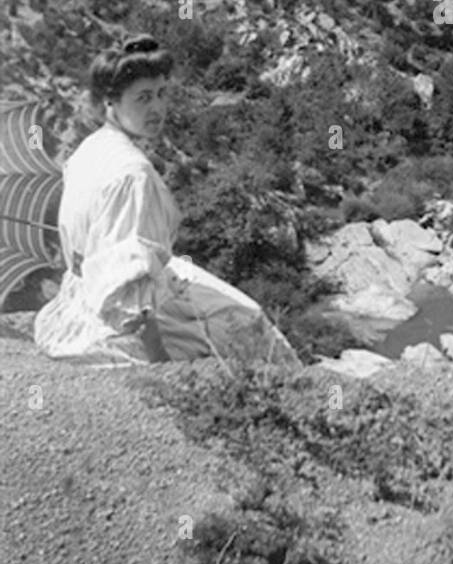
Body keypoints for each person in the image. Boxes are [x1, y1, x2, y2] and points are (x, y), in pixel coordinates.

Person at [34, 34, 299, 368]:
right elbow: (131, 295)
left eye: (161, 94)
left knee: (236, 306)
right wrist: (162, 363)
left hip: (85, 291)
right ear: (110, 102)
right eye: (143, 98)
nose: (157, 108)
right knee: (252, 328)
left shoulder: (89, 147)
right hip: (114, 317)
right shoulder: (134, 175)